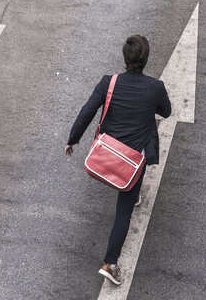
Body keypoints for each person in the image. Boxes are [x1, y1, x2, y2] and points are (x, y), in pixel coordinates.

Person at [64, 34, 171, 285]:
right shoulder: (156, 88)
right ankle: (110, 263)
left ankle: (112, 261)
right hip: (133, 161)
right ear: (145, 59)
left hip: (108, 151)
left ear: (125, 57)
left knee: (127, 201)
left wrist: (73, 139)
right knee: (124, 210)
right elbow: (166, 112)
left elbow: (87, 111)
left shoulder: (108, 82)